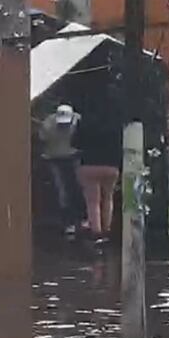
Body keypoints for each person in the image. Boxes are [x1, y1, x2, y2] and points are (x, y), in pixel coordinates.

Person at [74, 98, 122, 241]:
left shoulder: (84, 122)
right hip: (111, 165)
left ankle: (96, 232)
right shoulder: (114, 123)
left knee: (92, 201)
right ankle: (107, 230)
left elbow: (75, 142)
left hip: (88, 164)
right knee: (108, 198)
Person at [38, 104, 87, 237]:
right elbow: (42, 138)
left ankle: (83, 219)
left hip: (74, 156)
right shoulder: (48, 123)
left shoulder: (79, 120)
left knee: (80, 186)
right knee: (62, 190)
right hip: (54, 158)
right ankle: (68, 222)